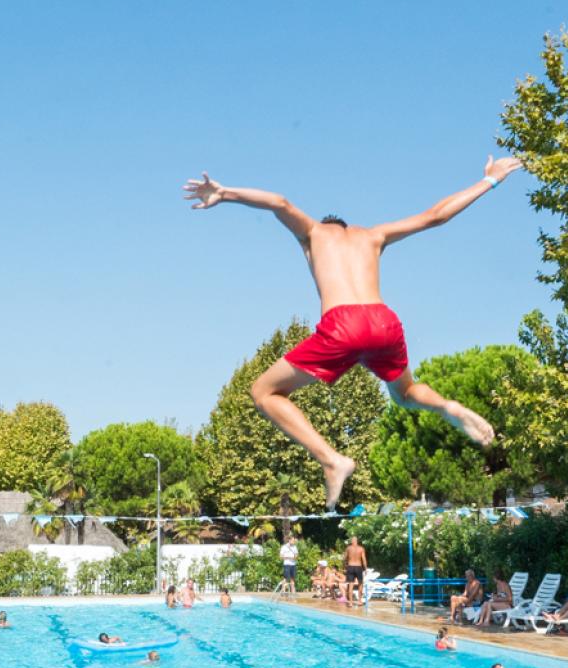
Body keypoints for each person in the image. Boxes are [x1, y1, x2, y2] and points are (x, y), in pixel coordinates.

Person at [184, 155, 523, 509]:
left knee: (264, 392)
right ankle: (446, 406)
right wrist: (491, 180)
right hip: (384, 321)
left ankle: (331, 459)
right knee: (405, 392)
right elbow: (436, 215)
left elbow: (279, 203)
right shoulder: (374, 236)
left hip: (343, 325)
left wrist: (225, 193)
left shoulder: (312, 233)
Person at [343, 536, 367, 605]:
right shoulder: (361, 549)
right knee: (360, 584)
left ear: (351, 541)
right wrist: (365, 569)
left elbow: (344, 558)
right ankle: (359, 601)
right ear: (357, 541)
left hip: (350, 566)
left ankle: (350, 602)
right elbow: (364, 559)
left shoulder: (348, 548)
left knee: (351, 585)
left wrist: (344, 566)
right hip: (358, 567)